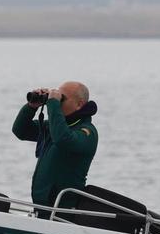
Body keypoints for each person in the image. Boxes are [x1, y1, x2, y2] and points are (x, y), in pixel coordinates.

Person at [12, 81, 98, 213]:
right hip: (42, 208)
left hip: (64, 211)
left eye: (61, 98)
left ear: (79, 104)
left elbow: (63, 139)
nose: (58, 101)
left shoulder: (87, 132)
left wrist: (52, 104)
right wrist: (31, 107)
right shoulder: (53, 127)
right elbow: (20, 130)